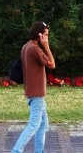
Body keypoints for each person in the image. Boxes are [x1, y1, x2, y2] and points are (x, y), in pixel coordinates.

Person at [11, 21, 56, 153]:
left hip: (32, 92)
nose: (47, 38)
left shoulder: (26, 46)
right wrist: (47, 46)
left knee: (42, 125)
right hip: (37, 94)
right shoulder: (35, 49)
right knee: (34, 125)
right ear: (39, 34)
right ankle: (16, 151)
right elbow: (52, 64)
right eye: (46, 35)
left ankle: (39, 151)